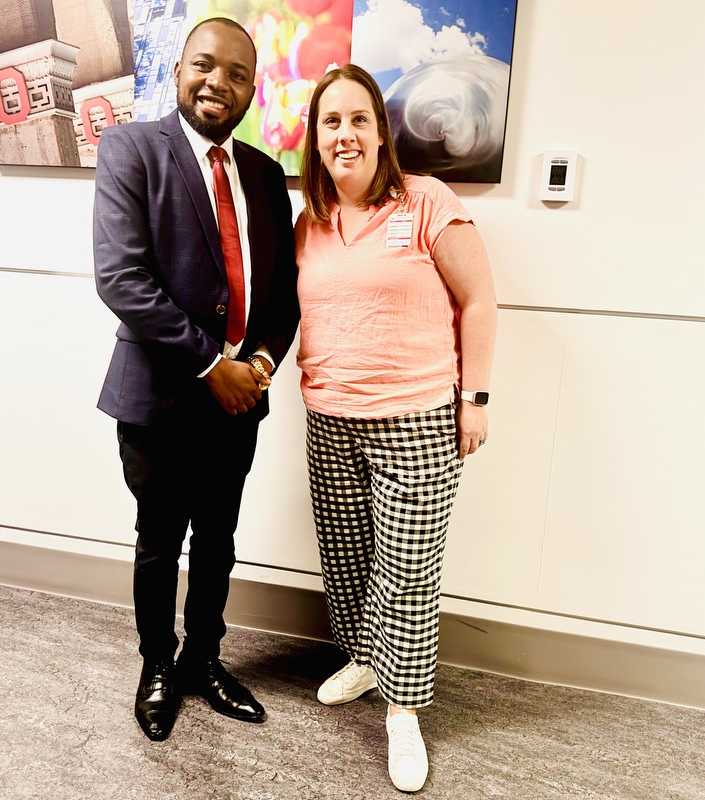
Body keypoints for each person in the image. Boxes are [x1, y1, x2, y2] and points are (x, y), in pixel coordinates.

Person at [93, 17, 299, 742]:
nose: (220, 82)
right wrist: (214, 366)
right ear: (179, 70)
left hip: (241, 402)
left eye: (238, 73)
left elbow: (282, 300)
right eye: (206, 66)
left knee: (219, 540)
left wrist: (261, 367)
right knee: (159, 540)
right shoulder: (129, 149)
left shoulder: (269, 176)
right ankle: (157, 665)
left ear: (253, 89)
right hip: (160, 397)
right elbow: (122, 280)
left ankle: (204, 659)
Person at [295, 64, 497, 792]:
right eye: (330, 122)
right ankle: (364, 660)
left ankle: (403, 711)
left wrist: (474, 398)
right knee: (347, 566)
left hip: (416, 421)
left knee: (407, 574)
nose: (344, 134)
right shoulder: (310, 222)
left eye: (358, 119)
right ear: (314, 140)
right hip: (330, 421)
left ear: (382, 131)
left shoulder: (427, 200)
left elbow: (479, 300)